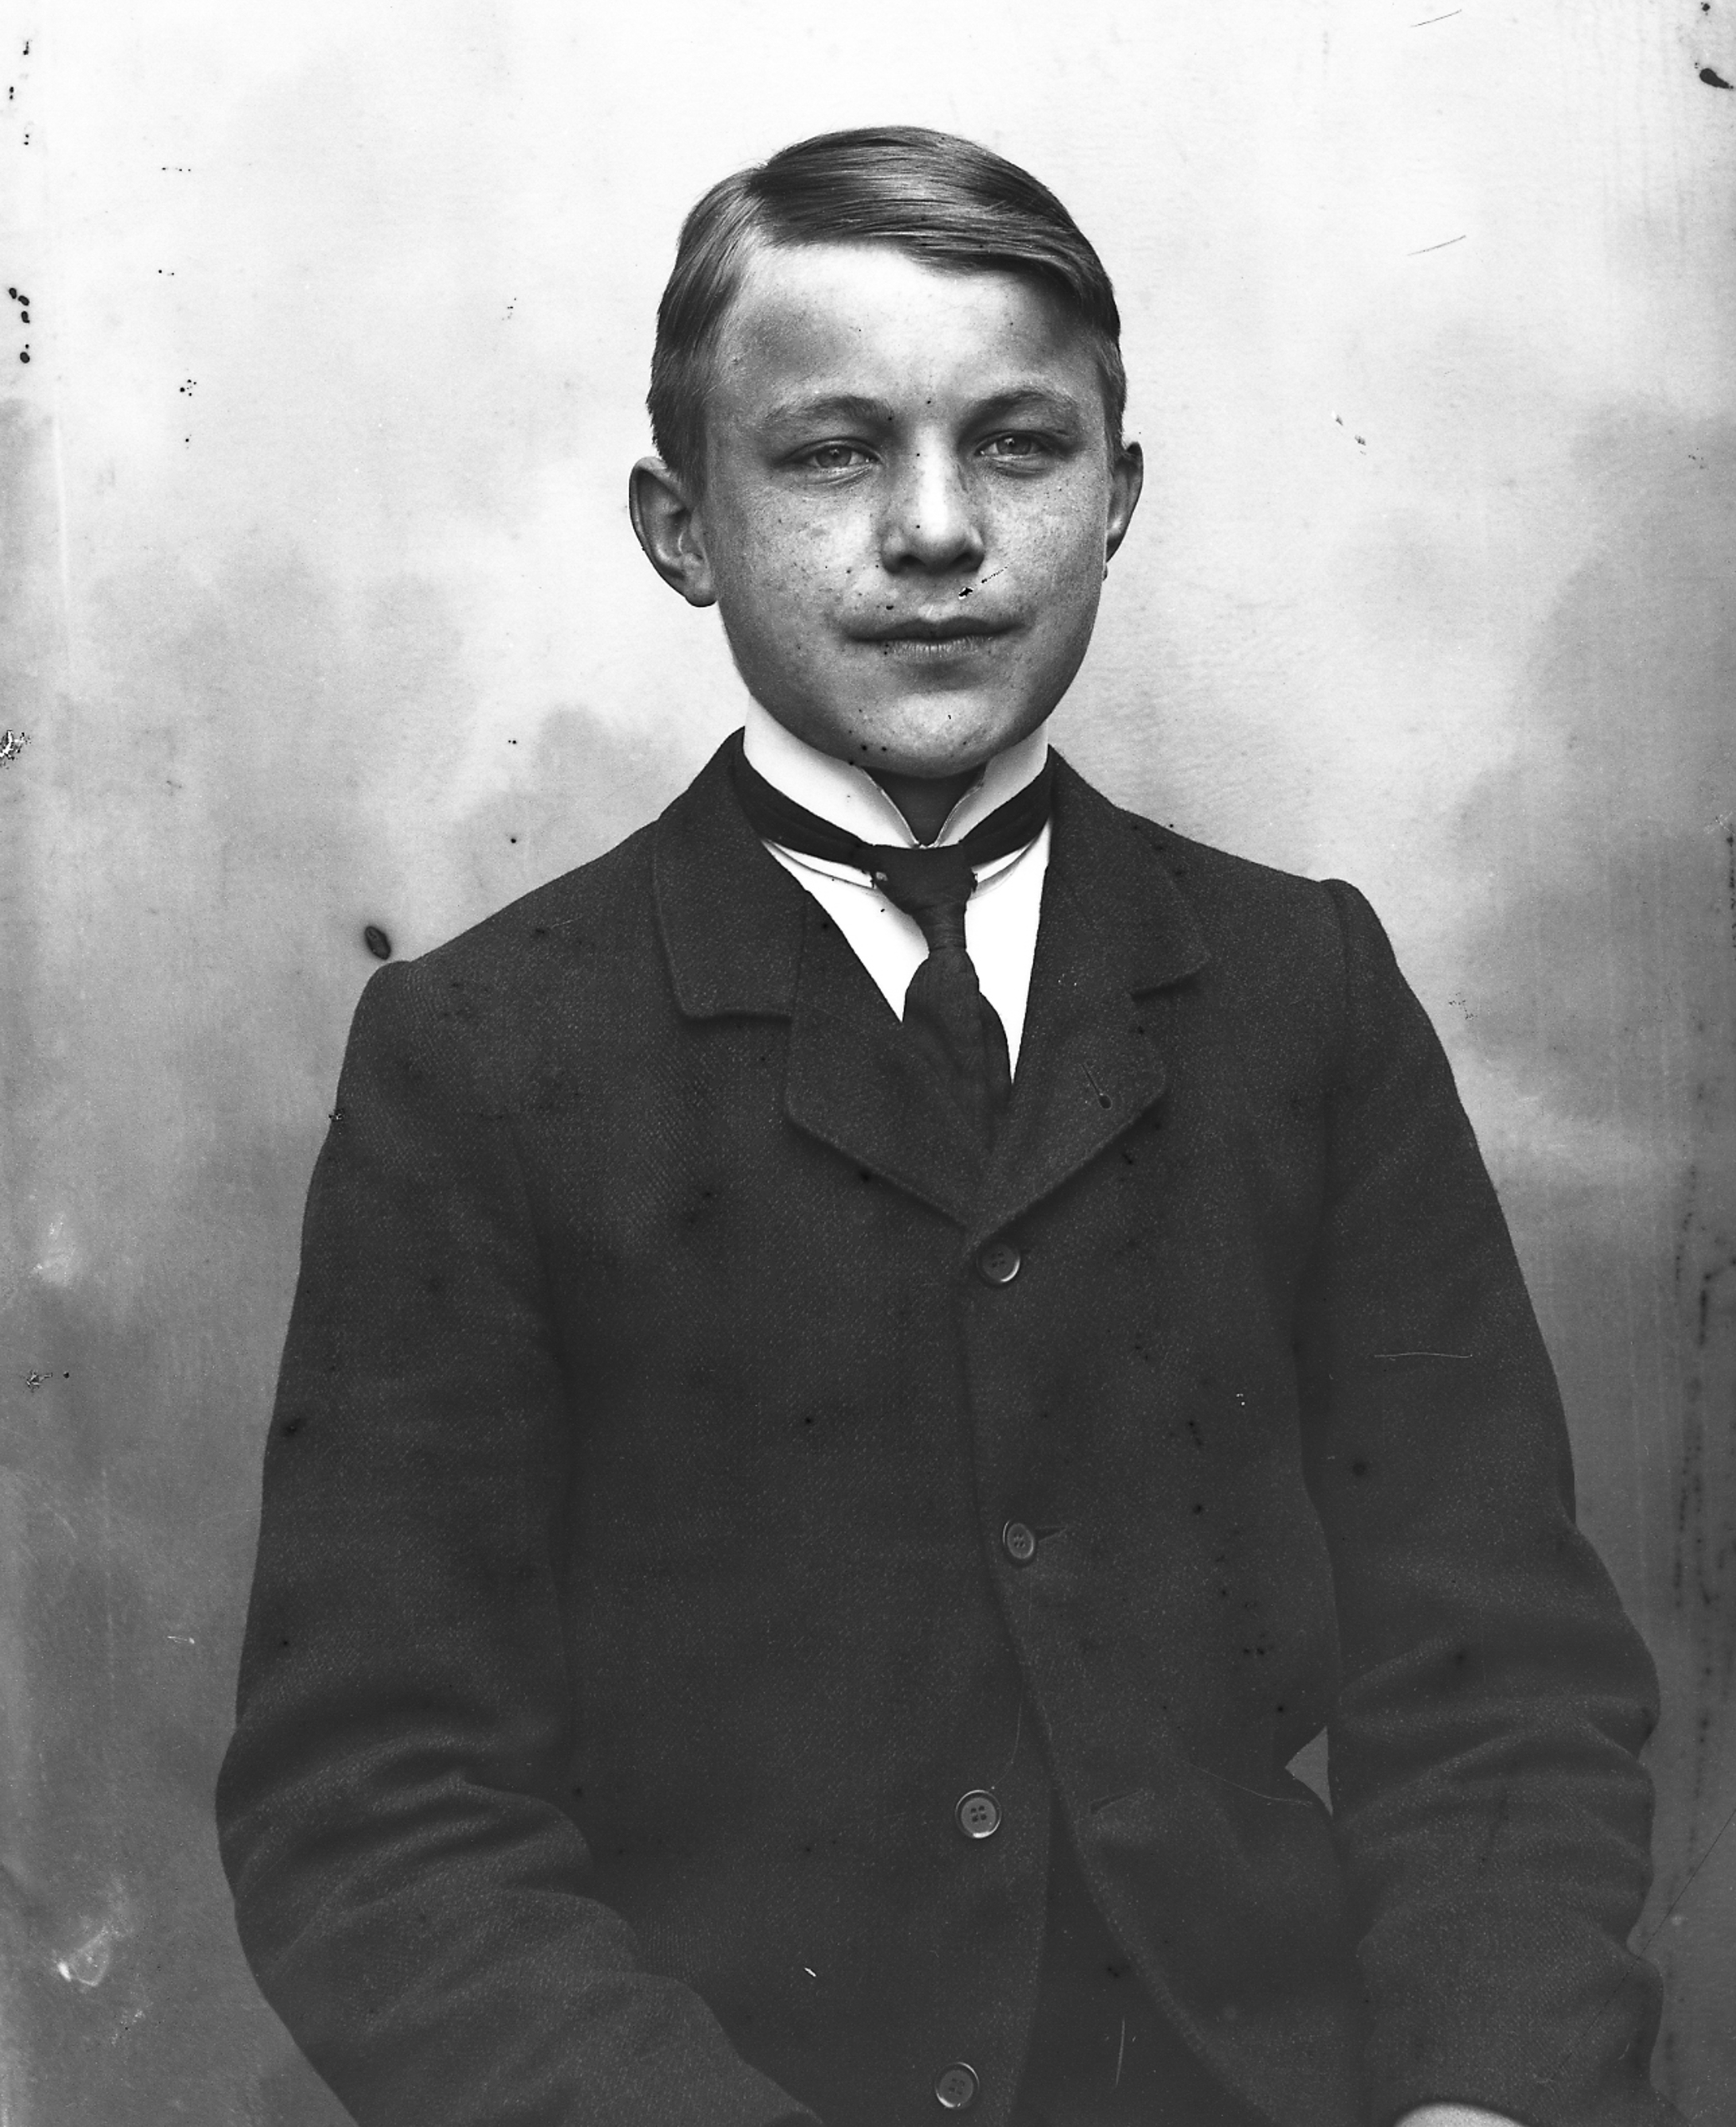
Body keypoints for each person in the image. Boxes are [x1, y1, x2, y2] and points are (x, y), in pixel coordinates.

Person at [216, 126, 1674, 2127]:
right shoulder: (481, 1053)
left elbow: (1495, 1684)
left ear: (1118, 497)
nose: (936, 531)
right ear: (679, 525)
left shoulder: (1300, 989)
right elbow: (378, 1811)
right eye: (832, 453)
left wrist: (1476, 2099)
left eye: (1017, 445)